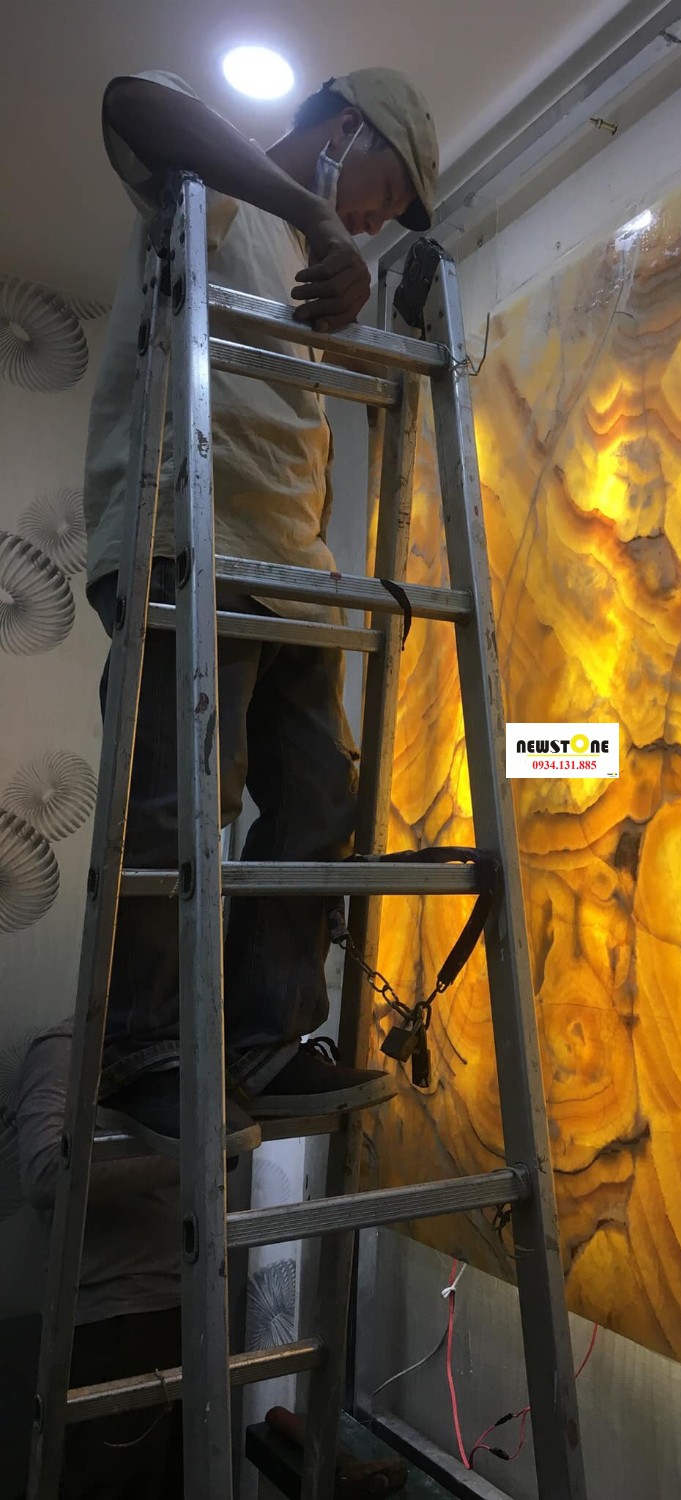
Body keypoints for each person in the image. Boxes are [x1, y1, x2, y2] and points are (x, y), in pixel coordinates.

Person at [83, 67, 440, 1155]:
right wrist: (317, 213)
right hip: (181, 539)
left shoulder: (314, 271)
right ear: (346, 129)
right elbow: (131, 102)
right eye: (387, 189)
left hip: (289, 569)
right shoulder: (221, 192)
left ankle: (262, 1045)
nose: (377, 220)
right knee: (180, 802)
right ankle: (145, 1049)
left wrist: (334, 264)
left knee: (321, 797)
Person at [18, 1023, 184, 1498]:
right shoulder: (65, 1049)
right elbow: (44, 1171)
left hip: (177, 1306)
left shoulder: (168, 1050)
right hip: (113, 1318)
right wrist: (191, 1155)